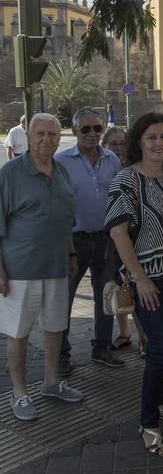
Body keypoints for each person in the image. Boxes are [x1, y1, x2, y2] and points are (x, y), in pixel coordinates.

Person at [106, 112, 163, 458]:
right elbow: (117, 232)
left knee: (162, 346)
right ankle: (148, 422)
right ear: (138, 141)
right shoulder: (125, 181)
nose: (159, 143)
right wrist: (140, 279)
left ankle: (161, 404)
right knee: (160, 350)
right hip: (146, 281)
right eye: (151, 137)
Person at [0, 114, 83, 420]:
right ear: (29, 136)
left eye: (52, 133)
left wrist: (72, 256)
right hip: (20, 269)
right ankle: (19, 392)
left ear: (59, 138)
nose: (47, 139)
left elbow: (66, 221)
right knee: (18, 333)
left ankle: (51, 382)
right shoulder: (10, 173)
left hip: (57, 266)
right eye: (40, 134)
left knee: (54, 327)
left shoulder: (60, 171)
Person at [55, 107, 122, 373]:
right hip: (74, 241)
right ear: (74, 131)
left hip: (106, 239)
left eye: (98, 129)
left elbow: (119, 199)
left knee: (106, 296)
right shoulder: (61, 161)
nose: (93, 134)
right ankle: (61, 354)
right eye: (86, 129)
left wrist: (117, 234)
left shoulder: (112, 160)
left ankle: (102, 348)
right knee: (65, 298)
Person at [101, 127, 146, 356]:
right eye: (113, 144)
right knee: (118, 285)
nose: (118, 147)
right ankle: (124, 332)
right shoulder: (105, 165)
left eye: (122, 143)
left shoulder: (135, 167)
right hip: (108, 235)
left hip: (132, 236)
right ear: (105, 145)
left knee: (135, 284)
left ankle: (144, 337)